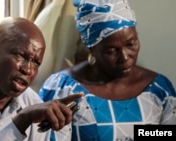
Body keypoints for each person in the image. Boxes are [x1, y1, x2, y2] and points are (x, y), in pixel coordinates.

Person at [39, 0, 176, 140]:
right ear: (92, 49)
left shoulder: (159, 90)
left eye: (131, 44)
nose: (124, 57)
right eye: (111, 50)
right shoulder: (63, 89)